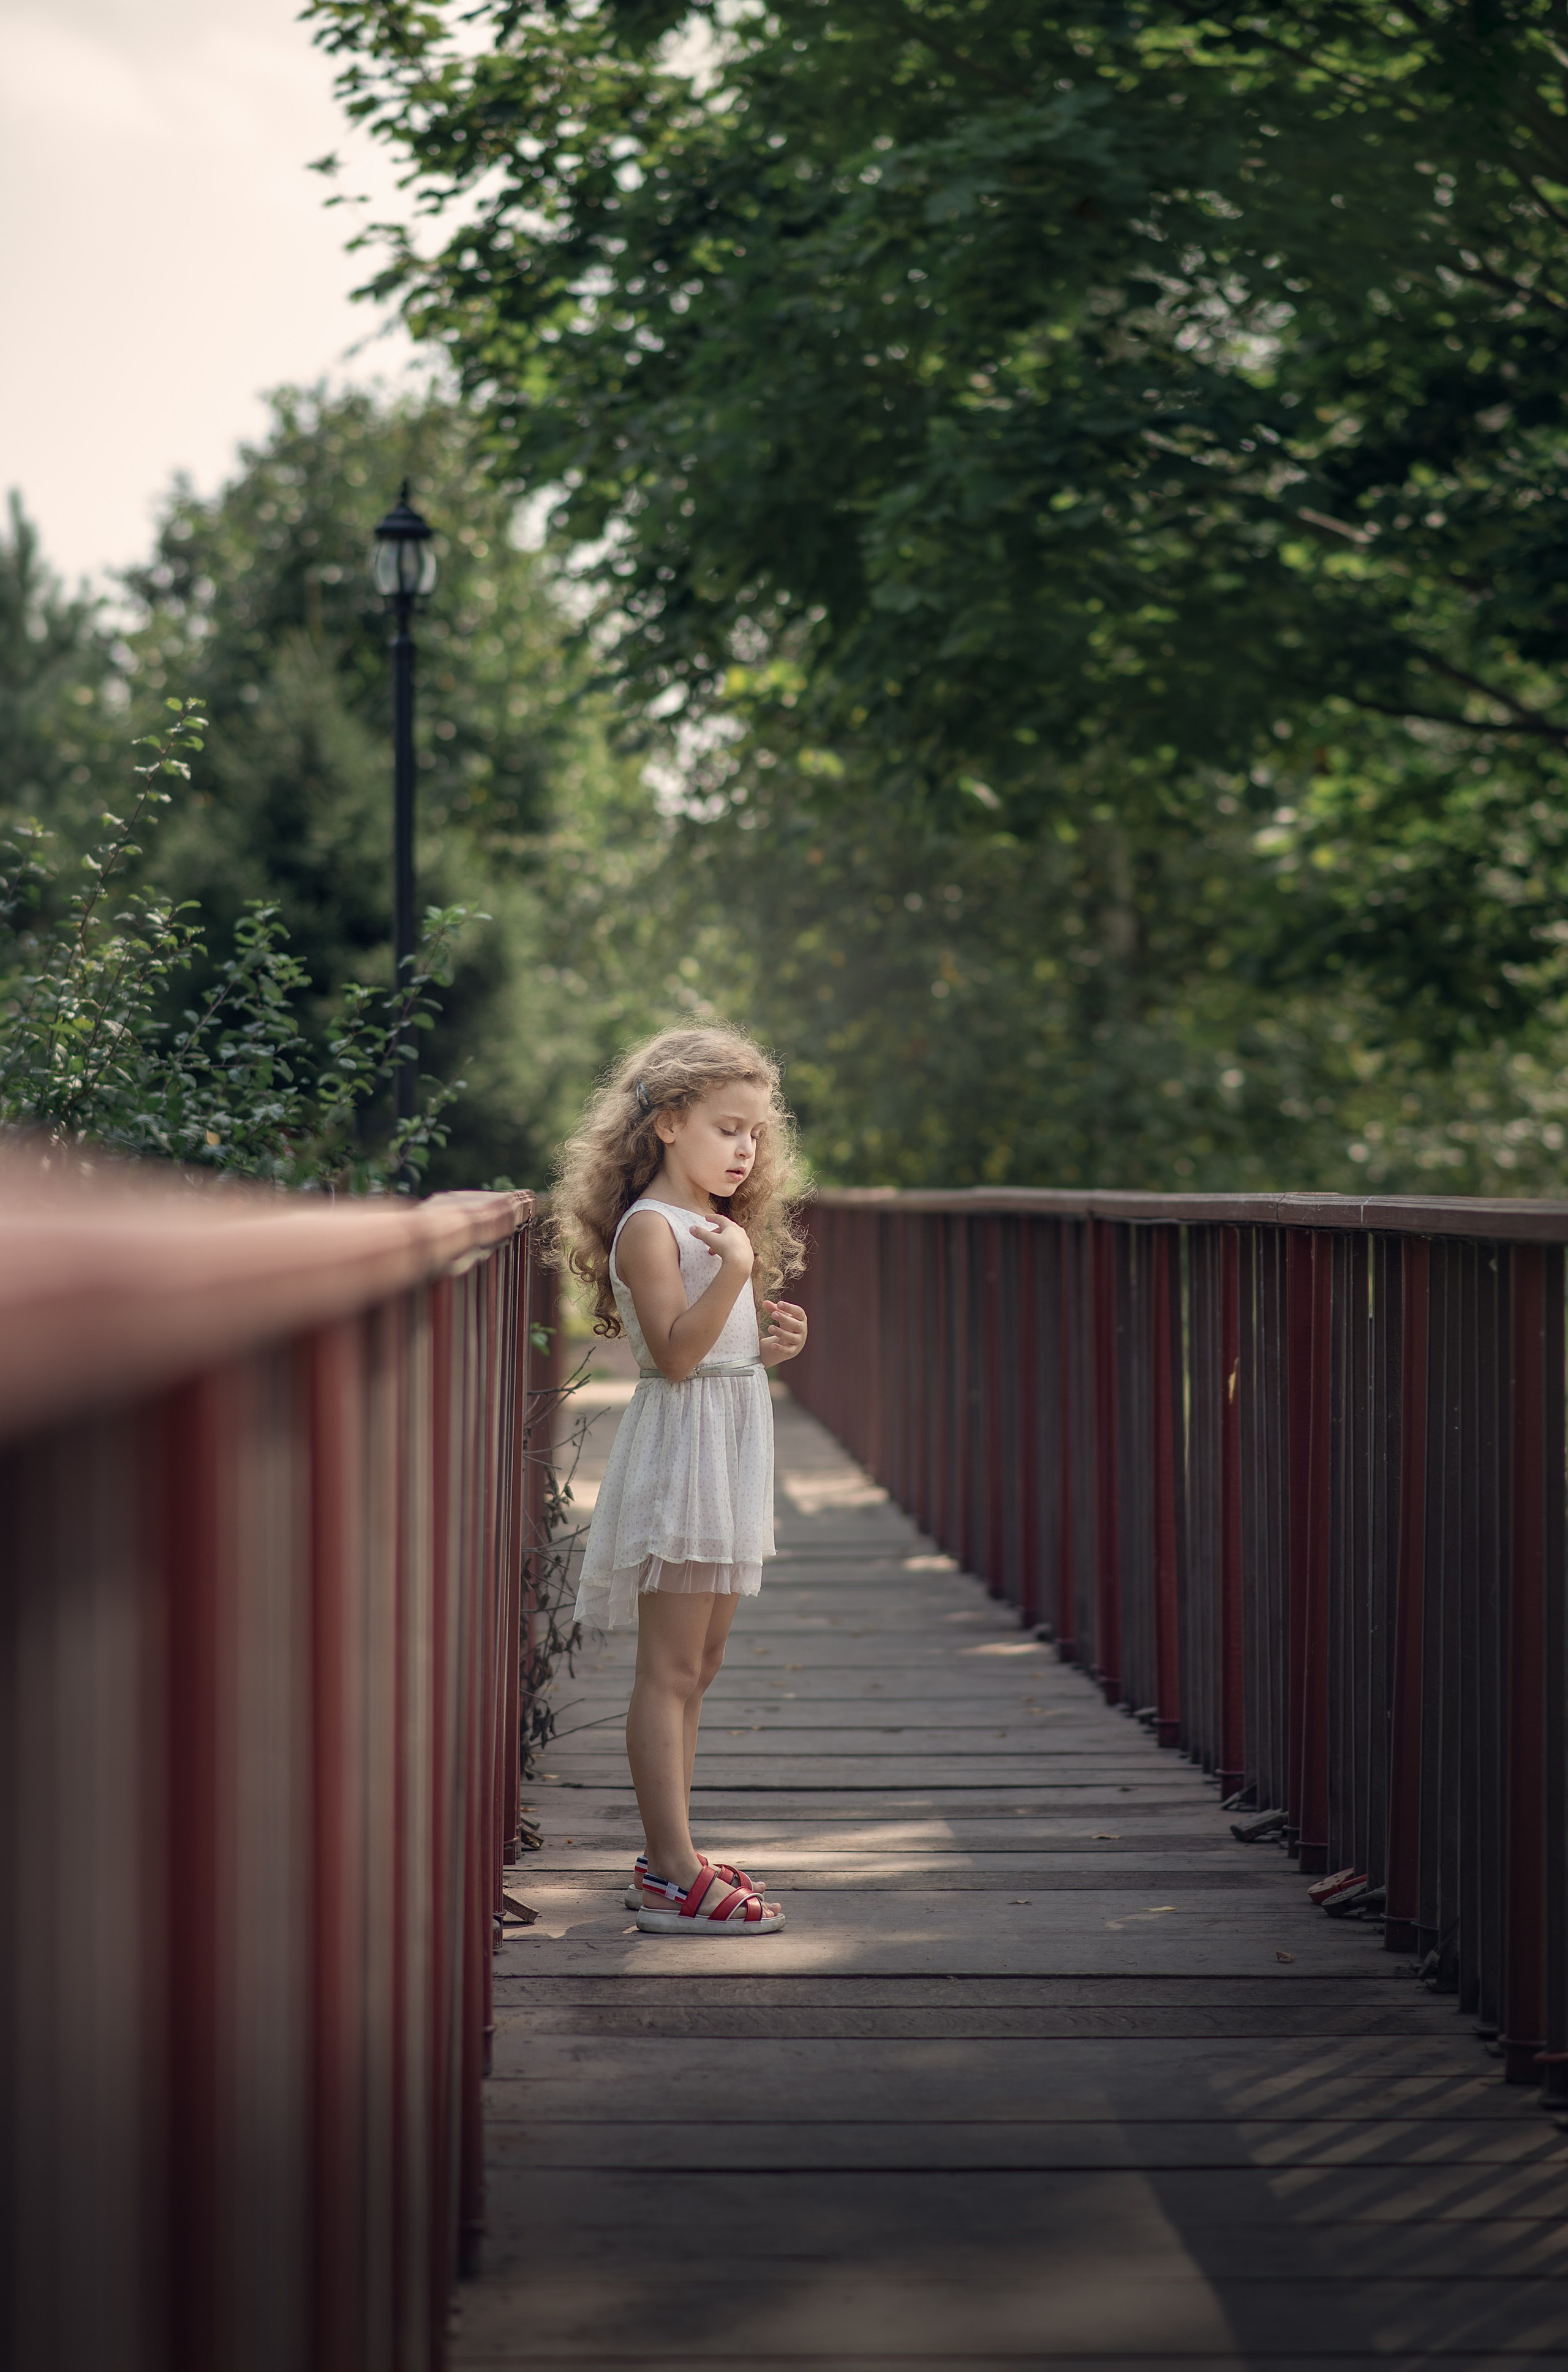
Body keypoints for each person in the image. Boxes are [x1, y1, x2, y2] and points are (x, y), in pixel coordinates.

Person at [553, 1025, 809, 1935]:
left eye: (755, 1134)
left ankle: (677, 1850)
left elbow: (721, 1351)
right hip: (683, 1456)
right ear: (666, 1122)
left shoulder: (712, 1223)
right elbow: (672, 1354)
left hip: (730, 1441)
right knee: (667, 1669)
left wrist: (770, 1343)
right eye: (726, 1127)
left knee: (702, 1664)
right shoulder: (650, 1231)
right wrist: (735, 1268)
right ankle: (667, 1869)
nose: (744, 1150)